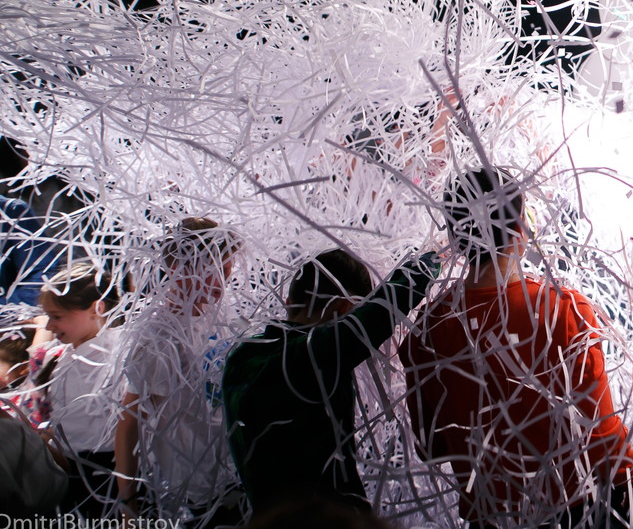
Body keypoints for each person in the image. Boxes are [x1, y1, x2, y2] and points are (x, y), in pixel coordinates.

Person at [400, 167, 633, 529]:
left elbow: (431, 447)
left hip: (490, 519)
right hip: (571, 514)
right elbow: (598, 430)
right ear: (521, 228)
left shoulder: (428, 330)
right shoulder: (563, 310)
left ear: (456, 236)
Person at [222, 246, 441, 514]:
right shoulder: (308, 357)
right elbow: (382, 310)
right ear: (343, 309)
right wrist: (432, 259)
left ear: (289, 300)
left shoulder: (241, 357)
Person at [115, 216, 243, 524]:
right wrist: (128, 505)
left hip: (236, 477)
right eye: (216, 270)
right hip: (198, 493)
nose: (224, 280)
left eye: (227, 269)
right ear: (180, 270)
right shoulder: (159, 338)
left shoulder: (220, 316)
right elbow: (128, 424)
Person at [35, 261, 124, 517]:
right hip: (69, 470)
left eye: (57, 317)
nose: (49, 326)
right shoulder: (62, 355)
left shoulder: (118, 358)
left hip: (103, 478)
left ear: (97, 308)